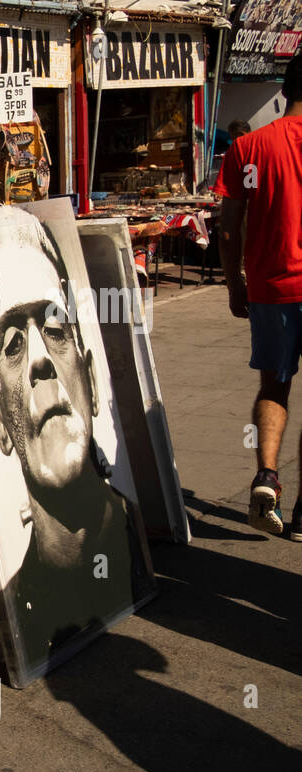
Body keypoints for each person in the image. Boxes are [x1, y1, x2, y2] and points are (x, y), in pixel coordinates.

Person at [0, 207, 153, 676]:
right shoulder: (19, 605)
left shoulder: (139, 545)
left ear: (89, 379)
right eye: (11, 344)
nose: (39, 361)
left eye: (54, 329)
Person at [213, 52, 302, 538]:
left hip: (271, 288)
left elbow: (228, 228)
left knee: (274, 386)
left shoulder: (249, 147)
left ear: (284, 90)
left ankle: (267, 475)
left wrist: (234, 284)